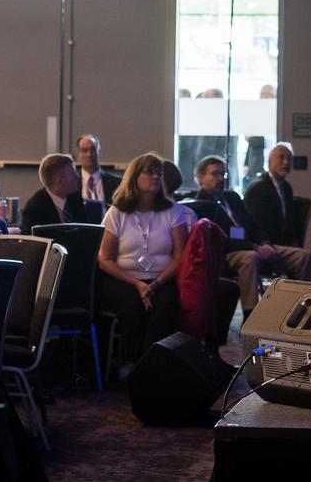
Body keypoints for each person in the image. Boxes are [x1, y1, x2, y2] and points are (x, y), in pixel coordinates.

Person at [193, 156, 311, 318]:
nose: (221, 179)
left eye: (223, 174)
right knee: (250, 258)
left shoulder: (231, 197)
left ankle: (310, 308)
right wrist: (255, 247)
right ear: (199, 178)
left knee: (302, 256)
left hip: (255, 245)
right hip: (229, 253)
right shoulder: (200, 205)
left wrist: (264, 242)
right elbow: (221, 240)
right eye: (215, 174)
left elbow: (252, 225)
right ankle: (251, 314)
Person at [96, 152, 191, 360]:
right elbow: (105, 259)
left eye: (159, 172)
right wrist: (137, 284)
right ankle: (134, 364)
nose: (156, 176)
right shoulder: (116, 213)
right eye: (149, 172)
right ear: (134, 177)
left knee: (164, 308)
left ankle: (151, 366)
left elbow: (179, 256)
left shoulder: (173, 212)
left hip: (162, 278)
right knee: (134, 308)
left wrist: (155, 284)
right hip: (123, 279)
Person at [243, 142, 301, 247]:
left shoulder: (287, 188)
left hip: (282, 243)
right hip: (265, 244)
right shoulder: (258, 188)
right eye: (281, 158)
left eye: (289, 159)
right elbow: (256, 224)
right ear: (269, 161)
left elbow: (288, 223)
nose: (286, 162)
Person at [21, 153, 90, 232]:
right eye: (73, 174)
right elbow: (32, 242)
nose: (77, 177)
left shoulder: (75, 198)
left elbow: (86, 231)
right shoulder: (34, 208)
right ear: (60, 181)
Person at [75, 134, 120, 205]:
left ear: (99, 152)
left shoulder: (118, 184)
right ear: (78, 155)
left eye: (93, 149)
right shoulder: (71, 184)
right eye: (84, 150)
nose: (89, 154)